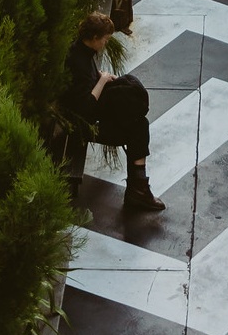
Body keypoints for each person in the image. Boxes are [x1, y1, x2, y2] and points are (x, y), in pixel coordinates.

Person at [64, 12, 165, 212]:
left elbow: (84, 86)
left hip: (88, 118)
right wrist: (101, 81)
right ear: (94, 38)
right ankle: (138, 189)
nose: (105, 43)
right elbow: (86, 109)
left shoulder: (80, 51)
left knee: (138, 124)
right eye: (105, 39)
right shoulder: (80, 61)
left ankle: (138, 189)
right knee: (137, 128)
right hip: (85, 126)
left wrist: (100, 77)